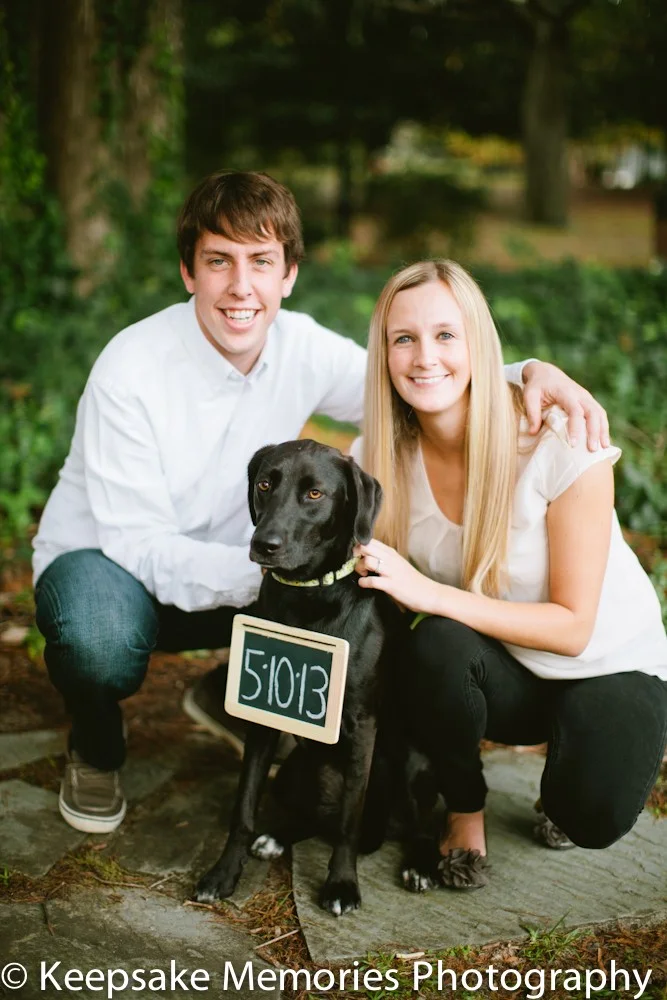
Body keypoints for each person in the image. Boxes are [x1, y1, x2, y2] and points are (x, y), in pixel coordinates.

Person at [33, 171, 610, 835]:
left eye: (261, 262)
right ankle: (96, 747)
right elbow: (139, 542)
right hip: (110, 562)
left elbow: (415, 375)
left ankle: (234, 694)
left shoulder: (302, 346)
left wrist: (530, 372)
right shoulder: (129, 368)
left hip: (248, 559)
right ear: (188, 271)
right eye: (218, 261)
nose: (240, 287)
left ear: (290, 274)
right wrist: (281, 570)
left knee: (350, 585)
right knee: (99, 642)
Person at [351, 259, 667, 890]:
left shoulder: (560, 439)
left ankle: (582, 766)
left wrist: (430, 593)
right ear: (384, 354)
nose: (424, 357)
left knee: (591, 817)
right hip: (502, 667)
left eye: (446, 335)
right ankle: (466, 812)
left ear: (478, 343)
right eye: (403, 338)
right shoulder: (379, 459)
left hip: (606, 661)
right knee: (435, 643)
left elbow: (575, 628)